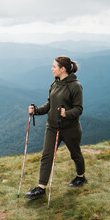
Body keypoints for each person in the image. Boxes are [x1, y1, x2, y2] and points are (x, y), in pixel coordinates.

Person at [25, 56, 87, 200]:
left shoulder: (75, 86)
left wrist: (66, 113)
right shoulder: (55, 83)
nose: (51, 69)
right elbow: (50, 104)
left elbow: (79, 109)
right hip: (52, 127)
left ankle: (81, 177)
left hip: (70, 129)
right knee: (47, 155)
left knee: (75, 153)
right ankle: (41, 188)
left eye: (54, 66)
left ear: (62, 69)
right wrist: (37, 110)